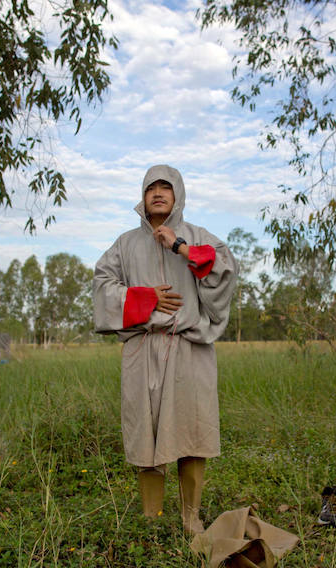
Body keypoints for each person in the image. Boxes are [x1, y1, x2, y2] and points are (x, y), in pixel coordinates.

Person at [93, 165, 237, 534]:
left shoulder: (198, 236)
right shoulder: (125, 243)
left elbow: (224, 272)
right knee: (146, 431)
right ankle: (151, 520)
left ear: (178, 194)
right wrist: (144, 298)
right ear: (142, 197)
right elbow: (102, 286)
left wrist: (179, 246)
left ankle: (191, 518)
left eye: (165, 187)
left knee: (192, 432)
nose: (158, 193)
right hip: (143, 347)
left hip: (189, 347)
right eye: (151, 188)